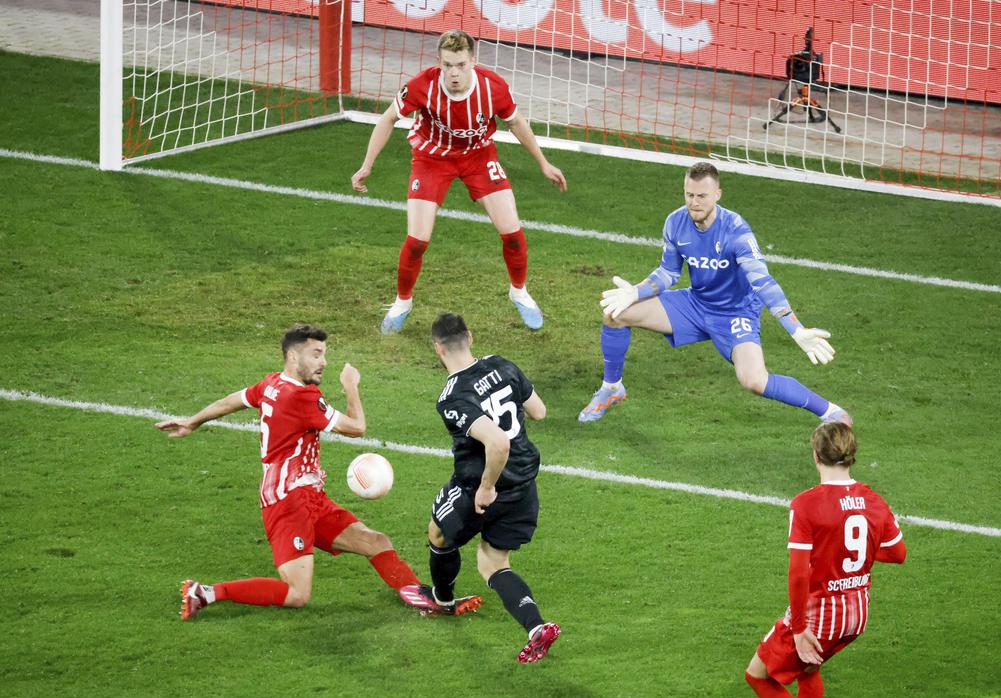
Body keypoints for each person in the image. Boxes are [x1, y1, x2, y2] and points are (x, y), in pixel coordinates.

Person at [157, 325, 447, 619]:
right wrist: (350, 386)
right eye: (316, 354)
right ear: (294, 357)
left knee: (376, 542)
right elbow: (357, 427)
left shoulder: (272, 384)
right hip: (288, 502)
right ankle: (205, 592)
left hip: (308, 496)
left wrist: (194, 420)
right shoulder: (300, 397)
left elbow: (233, 400)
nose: (323, 362)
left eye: (324, 354)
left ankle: (424, 600)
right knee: (297, 594)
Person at [577, 161, 848, 425]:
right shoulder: (675, 222)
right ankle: (612, 388)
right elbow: (669, 272)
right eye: (689, 195)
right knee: (616, 314)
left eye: (702, 196)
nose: (694, 202)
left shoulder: (736, 231)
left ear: (717, 195)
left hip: (735, 313)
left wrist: (795, 329)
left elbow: (762, 282)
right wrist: (636, 292)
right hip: (696, 304)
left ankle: (829, 411)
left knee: (754, 380)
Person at [351, 29, 568, 335]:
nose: (454, 73)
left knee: (514, 234)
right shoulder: (420, 86)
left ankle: (518, 291)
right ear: (438, 62)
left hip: (478, 157)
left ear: (472, 61)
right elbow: (388, 119)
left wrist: (543, 163)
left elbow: (516, 123)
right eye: (448, 65)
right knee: (416, 242)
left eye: (461, 65)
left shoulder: (493, 87)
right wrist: (367, 165)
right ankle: (403, 302)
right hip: (431, 159)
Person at [399, 312, 560, 664]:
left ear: (438, 349)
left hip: (481, 487)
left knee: (438, 534)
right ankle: (536, 627)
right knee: (493, 562)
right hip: (523, 485)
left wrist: (486, 487)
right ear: (470, 337)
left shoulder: (452, 396)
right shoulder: (503, 364)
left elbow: (498, 443)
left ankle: (442, 601)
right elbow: (539, 411)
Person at [745, 422, 907, 698]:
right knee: (809, 670)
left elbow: (797, 574)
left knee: (758, 675)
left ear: (816, 457)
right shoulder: (874, 501)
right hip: (856, 616)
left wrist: (798, 629)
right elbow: (898, 553)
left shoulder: (806, 504)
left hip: (819, 617)